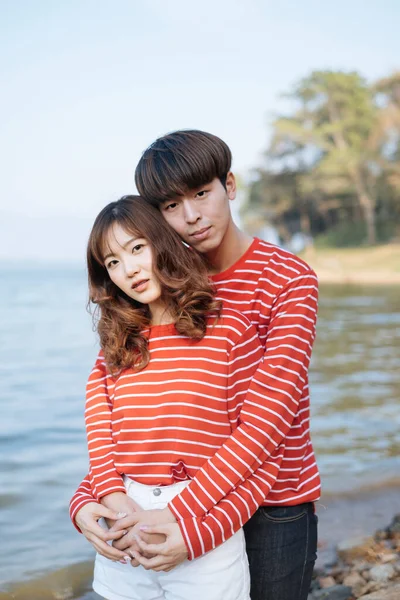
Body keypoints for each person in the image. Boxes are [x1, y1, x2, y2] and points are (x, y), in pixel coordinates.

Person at [70, 130, 320, 600]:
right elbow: (136, 418)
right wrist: (89, 498)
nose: (191, 217)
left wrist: (188, 518)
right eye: (170, 206)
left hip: (273, 500)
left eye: (202, 194)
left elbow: (268, 421)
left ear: (229, 184)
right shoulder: (160, 283)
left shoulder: (288, 279)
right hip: (175, 504)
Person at [79, 193, 274, 600]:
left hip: (204, 534)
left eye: (136, 249)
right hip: (125, 536)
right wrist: (99, 507)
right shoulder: (114, 352)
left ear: (162, 242)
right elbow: (103, 456)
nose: (128, 269)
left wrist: (196, 533)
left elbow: (258, 456)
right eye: (112, 262)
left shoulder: (228, 332)